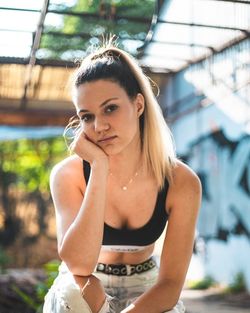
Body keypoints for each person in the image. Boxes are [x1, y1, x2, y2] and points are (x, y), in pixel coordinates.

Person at [43, 42, 201, 313]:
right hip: (86, 286)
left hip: (148, 287)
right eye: (87, 116)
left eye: (110, 108)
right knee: (72, 294)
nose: (99, 126)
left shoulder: (180, 181)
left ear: (138, 104)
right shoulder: (68, 175)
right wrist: (99, 168)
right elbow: (79, 266)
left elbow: (171, 284)